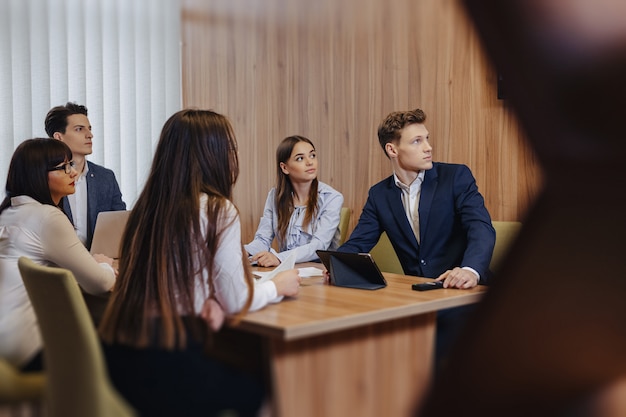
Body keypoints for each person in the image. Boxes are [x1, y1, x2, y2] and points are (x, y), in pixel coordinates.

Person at [98, 109, 302, 417]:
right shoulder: (218, 209)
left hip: (120, 357)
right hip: (166, 361)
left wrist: (205, 298)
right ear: (215, 156)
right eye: (231, 149)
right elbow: (235, 300)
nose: (235, 157)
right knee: (271, 388)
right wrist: (276, 286)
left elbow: (179, 272)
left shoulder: (149, 208)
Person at [338, 108, 495, 371]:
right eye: (416, 141)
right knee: (365, 340)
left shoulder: (456, 177)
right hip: (415, 299)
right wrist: (332, 266)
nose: (428, 147)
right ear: (392, 149)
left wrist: (470, 270)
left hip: (463, 296)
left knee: (416, 352)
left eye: (427, 139)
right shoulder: (379, 195)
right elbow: (357, 244)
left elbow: (481, 228)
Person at [0, 139, 116, 372]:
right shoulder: (47, 217)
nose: (73, 172)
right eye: (64, 167)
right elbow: (100, 284)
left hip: (6, 342)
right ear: (38, 175)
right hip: (27, 348)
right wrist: (105, 265)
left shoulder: (10, 213)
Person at [245, 135, 344, 267]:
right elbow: (263, 239)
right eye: (300, 158)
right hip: (287, 270)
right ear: (284, 168)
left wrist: (279, 258)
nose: (309, 162)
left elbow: (319, 246)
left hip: (320, 273)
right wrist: (243, 252)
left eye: (312, 155)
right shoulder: (275, 196)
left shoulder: (332, 198)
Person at [45, 102, 126, 250]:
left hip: (100, 262)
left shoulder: (106, 177)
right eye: (79, 129)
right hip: (58, 263)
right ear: (58, 137)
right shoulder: (46, 178)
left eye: (89, 129)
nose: (90, 135)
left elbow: (120, 223)